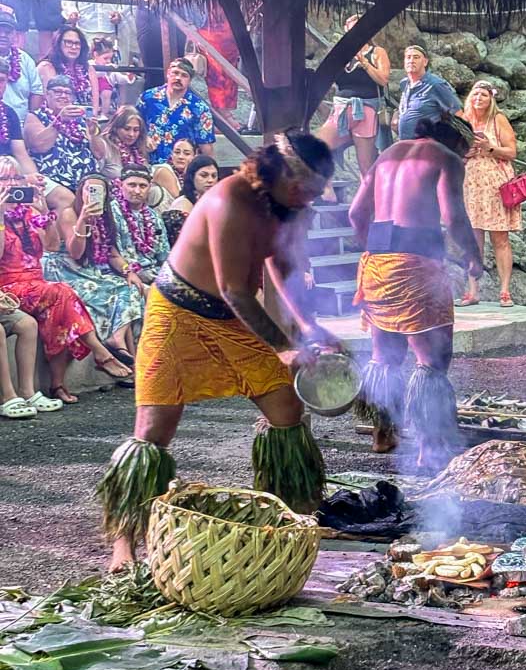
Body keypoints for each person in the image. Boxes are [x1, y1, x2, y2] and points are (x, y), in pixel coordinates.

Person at [97, 132, 338, 570]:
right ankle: (124, 542)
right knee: (153, 430)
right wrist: (283, 347)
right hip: (178, 313)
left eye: (315, 191)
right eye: (305, 188)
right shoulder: (230, 199)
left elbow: (282, 267)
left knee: (286, 407)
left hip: (231, 320)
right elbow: (234, 289)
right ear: (280, 173)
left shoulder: (288, 207)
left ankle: (289, 516)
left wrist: (310, 327)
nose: (309, 198)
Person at [349, 113, 483, 469]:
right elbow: (453, 217)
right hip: (417, 266)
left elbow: (355, 214)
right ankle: (430, 446)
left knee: (385, 355)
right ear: (458, 141)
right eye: (466, 151)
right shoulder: (446, 158)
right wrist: (473, 255)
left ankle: (382, 433)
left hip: (376, 264)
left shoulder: (388, 153)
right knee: (432, 360)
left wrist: (374, 247)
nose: (465, 157)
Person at [0, 156, 132, 403]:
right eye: (4, 179)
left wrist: (44, 214)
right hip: (7, 287)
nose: (11, 184)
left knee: (57, 312)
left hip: (35, 284)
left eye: (16, 178)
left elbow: (51, 246)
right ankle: (100, 352)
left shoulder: (27, 211)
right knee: (62, 292)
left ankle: (56, 385)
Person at [43, 171, 145, 365]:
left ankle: (116, 338)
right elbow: (76, 253)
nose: (92, 194)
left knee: (131, 287)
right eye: (89, 189)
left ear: (105, 194)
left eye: (98, 190)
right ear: (81, 191)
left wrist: (128, 271)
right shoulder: (69, 213)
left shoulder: (104, 217)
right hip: (67, 270)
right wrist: (82, 220)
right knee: (110, 292)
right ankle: (118, 350)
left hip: (91, 271)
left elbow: (112, 253)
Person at [460, 79, 521, 307]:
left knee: (500, 238)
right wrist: (466, 152)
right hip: (471, 184)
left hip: (496, 184)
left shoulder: (498, 119)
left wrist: (489, 148)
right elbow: (453, 150)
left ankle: (504, 291)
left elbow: (512, 151)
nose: (478, 98)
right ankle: (472, 290)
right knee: (473, 238)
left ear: (491, 99)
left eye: (483, 95)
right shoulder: (464, 120)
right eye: (475, 94)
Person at [316, 15, 391, 178]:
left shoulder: (376, 52)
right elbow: (325, 79)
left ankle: (370, 193)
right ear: (346, 30)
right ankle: (326, 189)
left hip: (366, 110)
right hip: (341, 109)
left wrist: (364, 62)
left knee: (366, 166)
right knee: (317, 148)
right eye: (353, 28)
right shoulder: (340, 53)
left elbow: (383, 80)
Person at [23, 75, 97, 202]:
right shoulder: (35, 116)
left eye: (67, 93)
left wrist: (94, 133)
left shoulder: (81, 120)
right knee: (68, 200)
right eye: (58, 91)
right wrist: (59, 121)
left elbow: (99, 154)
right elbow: (39, 146)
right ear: (47, 95)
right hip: (54, 179)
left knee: (100, 198)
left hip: (85, 179)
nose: (63, 96)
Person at [137, 58, 214, 165]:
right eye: (175, 73)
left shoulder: (199, 107)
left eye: (184, 75)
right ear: (168, 73)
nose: (178, 78)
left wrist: (208, 167)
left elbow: (205, 145)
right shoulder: (148, 98)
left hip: (182, 167)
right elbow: (135, 124)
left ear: (190, 80)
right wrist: (144, 137)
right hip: (148, 162)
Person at [110, 165, 170, 287]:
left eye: (143, 186)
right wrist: (128, 271)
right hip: (122, 273)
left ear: (149, 188)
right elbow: (109, 253)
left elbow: (164, 255)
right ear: (120, 185)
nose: (137, 191)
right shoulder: (110, 213)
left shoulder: (154, 216)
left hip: (153, 272)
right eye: (132, 185)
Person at [395, 46, 461, 140]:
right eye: (408, 57)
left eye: (416, 57)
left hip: (427, 144)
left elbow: (458, 113)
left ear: (425, 62)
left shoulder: (435, 85)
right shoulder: (404, 84)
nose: (411, 61)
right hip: (405, 143)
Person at [0, 6, 43, 124]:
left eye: (7, 32)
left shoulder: (25, 59)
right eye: (0, 31)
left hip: (21, 124)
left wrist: (30, 122)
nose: (3, 35)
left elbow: (37, 92)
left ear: (15, 35)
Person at [196, 2, 241, 115]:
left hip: (224, 32)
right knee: (217, 74)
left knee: (224, 75)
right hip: (214, 32)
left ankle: (224, 112)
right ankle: (222, 112)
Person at [0, 58, 41, 180]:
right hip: (6, 174)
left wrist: (36, 178)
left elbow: (21, 154)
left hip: (11, 174)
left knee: (54, 190)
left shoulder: (9, 113)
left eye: (1, 80)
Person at [37, 25, 93, 102]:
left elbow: (95, 104)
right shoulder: (46, 67)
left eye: (77, 43)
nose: (73, 47)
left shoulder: (88, 69)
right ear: (58, 43)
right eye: (68, 42)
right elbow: (53, 101)